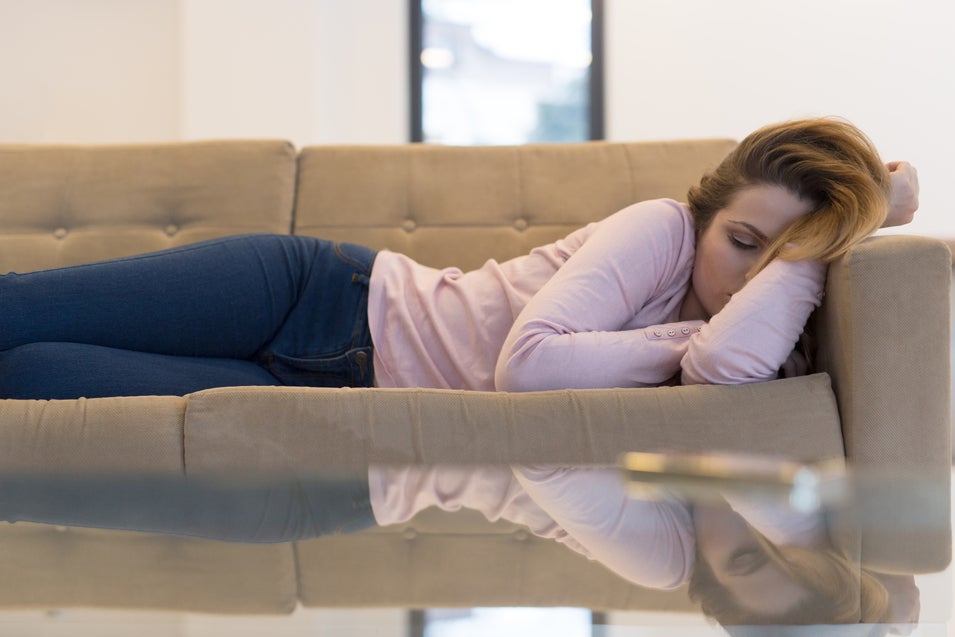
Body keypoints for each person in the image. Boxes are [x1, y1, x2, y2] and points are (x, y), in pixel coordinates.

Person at [0, 118, 921, 625]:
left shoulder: (672, 549)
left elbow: (727, 366)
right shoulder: (665, 232)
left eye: (784, 262)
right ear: (709, 214)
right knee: (18, 313)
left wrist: (825, 242)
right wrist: (683, 347)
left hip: (341, 463)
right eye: (745, 241)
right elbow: (528, 371)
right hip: (325, 301)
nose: (748, 274)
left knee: (33, 387)